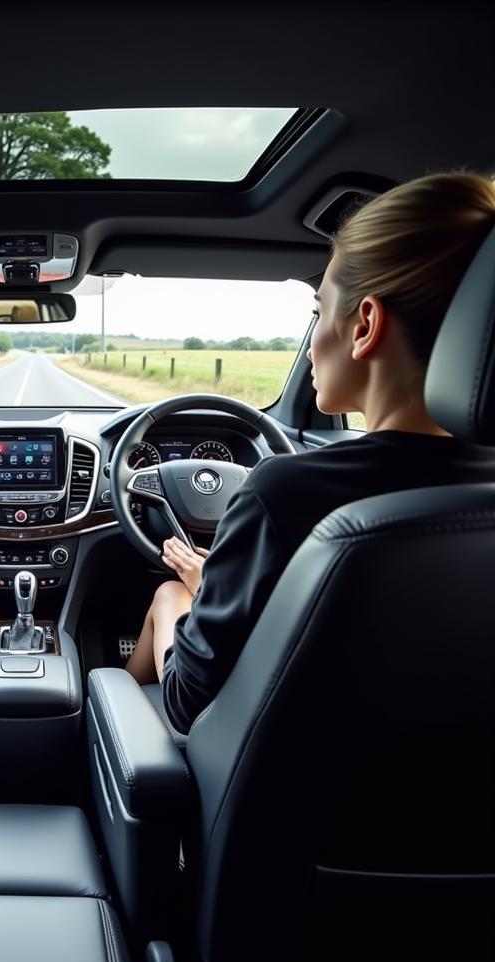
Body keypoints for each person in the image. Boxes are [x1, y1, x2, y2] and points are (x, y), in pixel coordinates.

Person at [125, 171, 495, 735]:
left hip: (268, 808)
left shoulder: (285, 492)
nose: (316, 333)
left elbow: (185, 701)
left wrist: (203, 588)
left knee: (169, 590)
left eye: (318, 311)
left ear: (365, 325)